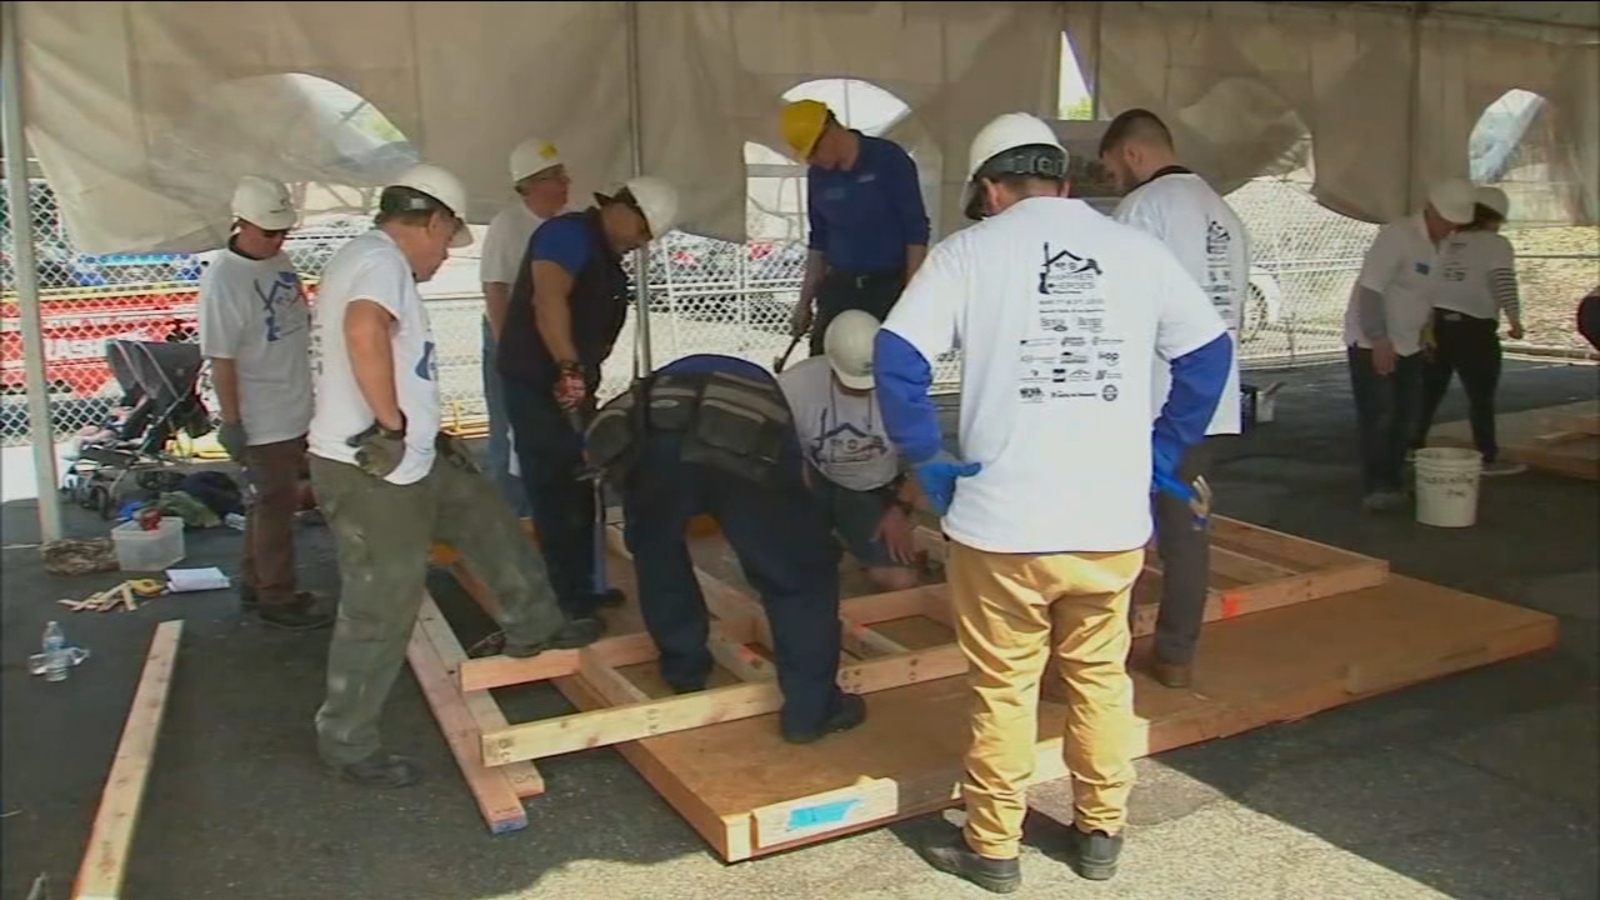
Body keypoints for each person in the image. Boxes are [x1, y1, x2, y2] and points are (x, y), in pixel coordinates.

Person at [877, 112, 1232, 892]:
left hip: (1001, 526)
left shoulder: (966, 254)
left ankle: (994, 847)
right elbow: (1208, 352)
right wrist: (1163, 448)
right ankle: (1101, 833)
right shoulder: (1137, 251)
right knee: (1100, 679)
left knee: (1004, 687)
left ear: (990, 189)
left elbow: (896, 355)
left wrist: (926, 456)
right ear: (1064, 182)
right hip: (1107, 523)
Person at [306, 164, 600, 788]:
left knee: (485, 516)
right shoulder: (381, 262)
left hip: (408, 456)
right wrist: (389, 427)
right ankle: (348, 740)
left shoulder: (369, 257)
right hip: (372, 466)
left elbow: (394, 355)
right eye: (445, 241)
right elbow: (364, 332)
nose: (444, 255)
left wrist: (419, 430)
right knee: (382, 604)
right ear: (431, 220)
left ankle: (535, 628)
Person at [584, 353, 866, 744]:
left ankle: (684, 671)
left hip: (655, 443)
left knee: (657, 555)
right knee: (799, 578)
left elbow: (604, 454)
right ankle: (811, 713)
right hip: (738, 439)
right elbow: (799, 480)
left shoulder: (647, 396)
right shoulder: (788, 396)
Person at [1097, 108, 1248, 688]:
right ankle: (1176, 656)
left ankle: (1105, 651)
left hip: (1148, 402)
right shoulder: (1226, 214)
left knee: (1120, 529)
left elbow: (1116, 308)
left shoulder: (1142, 211)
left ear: (1133, 155)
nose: (1113, 182)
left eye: (1111, 169)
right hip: (1210, 403)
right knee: (1188, 535)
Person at [500, 176, 680, 629]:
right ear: (622, 209)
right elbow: (549, 300)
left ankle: (582, 586)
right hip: (537, 382)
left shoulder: (605, 256)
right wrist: (567, 367)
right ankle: (565, 601)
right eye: (641, 233)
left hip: (573, 383)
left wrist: (579, 378)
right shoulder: (566, 235)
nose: (640, 244)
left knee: (581, 481)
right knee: (553, 485)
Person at [198, 175, 332, 631]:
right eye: (269, 233)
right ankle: (277, 594)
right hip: (262, 414)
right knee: (276, 501)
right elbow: (223, 358)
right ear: (241, 224)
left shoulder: (279, 261)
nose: (277, 241)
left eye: (282, 233)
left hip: (295, 402)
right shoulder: (224, 279)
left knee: (268, 504)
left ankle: (258, 583)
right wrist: (233, 420)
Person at [1343, 178, 1477, 513]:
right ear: (1432, 211)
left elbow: (1423, 296)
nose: (1452, 228)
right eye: (1449, 221)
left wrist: (1426, 331)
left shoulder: (1443, 244)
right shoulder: (1397, 236)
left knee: (1407, 415)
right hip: (1373, 341)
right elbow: (1371, 289)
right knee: (1379, 415)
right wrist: (1379, 338)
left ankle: (1394, 479)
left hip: (1410, 342)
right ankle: (1377, 486)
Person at [777, 310, 919, 593]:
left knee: (899, 581)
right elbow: (776, 446)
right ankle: (825, 536)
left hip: (870, 487)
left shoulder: (906, 387)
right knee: (794, 575)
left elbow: (924, 459)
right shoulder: (793, 385)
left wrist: (899, 510)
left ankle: (848, 534)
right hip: (813, 481)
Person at [779, 99, 931, 357]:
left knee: (885, 365)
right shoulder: (818, 176)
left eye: (814, 151)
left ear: (830, 131)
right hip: (840, 288)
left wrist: (910, 297)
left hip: (887, 288)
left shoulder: (889, 159)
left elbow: (915, 231)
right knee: (823, 362)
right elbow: (819, 240)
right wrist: (803, 303)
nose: (812, 161)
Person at [479, 137, 572, 516]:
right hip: (513, 341)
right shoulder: (508, 224)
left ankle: (550, 507)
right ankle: (512, 518)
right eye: (555, 177)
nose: (566, 183)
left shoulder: (570, 222)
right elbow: (495, 289)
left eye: (564, 175)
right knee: (509, 432)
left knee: (552, 428)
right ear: (530, 185)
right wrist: (508, 351)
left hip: (552, 341)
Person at [1413, 186, 1528, 476]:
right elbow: (1502, 281)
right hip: (1474, 326)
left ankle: (1412, 447)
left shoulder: (1447, 242)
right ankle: (1487, 456)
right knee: (1480, 395)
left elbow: (1427, 284)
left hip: (1436, 324)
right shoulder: (1496, 244)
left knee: (1429, 391)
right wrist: (1515, 319)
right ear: (1496, 216)